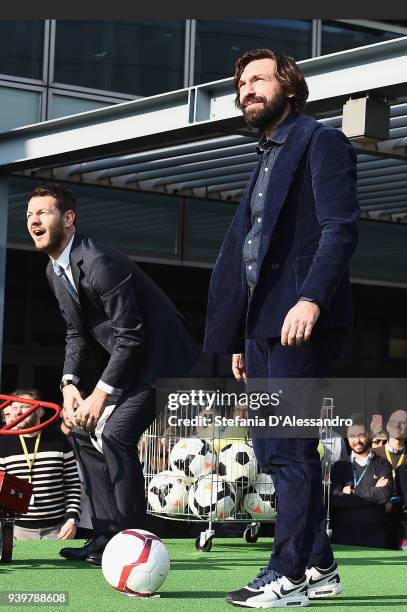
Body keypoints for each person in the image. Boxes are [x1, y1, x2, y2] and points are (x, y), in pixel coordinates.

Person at [204, 48, 359, 608]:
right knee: (272, 451)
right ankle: (320, 564)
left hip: (299, 323)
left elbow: (340, 228)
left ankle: (287, 572)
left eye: (259, 80)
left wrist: (311, 298)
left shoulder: (320, 141)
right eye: (242, 82)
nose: (247, 90)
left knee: (290, 449)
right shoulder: (264, 158)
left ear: (289, 86)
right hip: (264, 330)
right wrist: (243, 338)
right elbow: (251, 255)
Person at [26, 183, 199, 565]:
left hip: (164, 360)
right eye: (29, 215)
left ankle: (137, 542)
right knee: (81, 430)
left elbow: (132, 335)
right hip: (129, 357)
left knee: (117, 434)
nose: (33, 220)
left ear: (68, 219)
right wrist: (70, 384)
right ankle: (104, 536)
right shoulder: (55, 272)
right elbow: (76, 334)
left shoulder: (99, 260)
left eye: (43, 212)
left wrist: (100, 395)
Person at [0, 389, 81, 540]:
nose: (18, 411)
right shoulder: (4, 443)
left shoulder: (59, 440)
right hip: (17, 530)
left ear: (40, 411)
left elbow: (73, 485)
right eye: (15, 407)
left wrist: (72, 519)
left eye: (24, 406)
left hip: (58, 529)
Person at [330, 418, 392, 548]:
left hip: (375, 535)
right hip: (343, 534)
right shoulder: (339, 466)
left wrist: (352, 492)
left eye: (361, 435)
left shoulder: (383, 464)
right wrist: (372, 493)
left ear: (368, 435)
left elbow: (384, 495)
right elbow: (335, 500)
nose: (357, 440)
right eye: (352, 436)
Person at [373, 409, 407, 549]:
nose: (398, 426)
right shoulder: (374, 454)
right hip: (378, 514)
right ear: (387, 426)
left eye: (403, 423)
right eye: (394, 422)